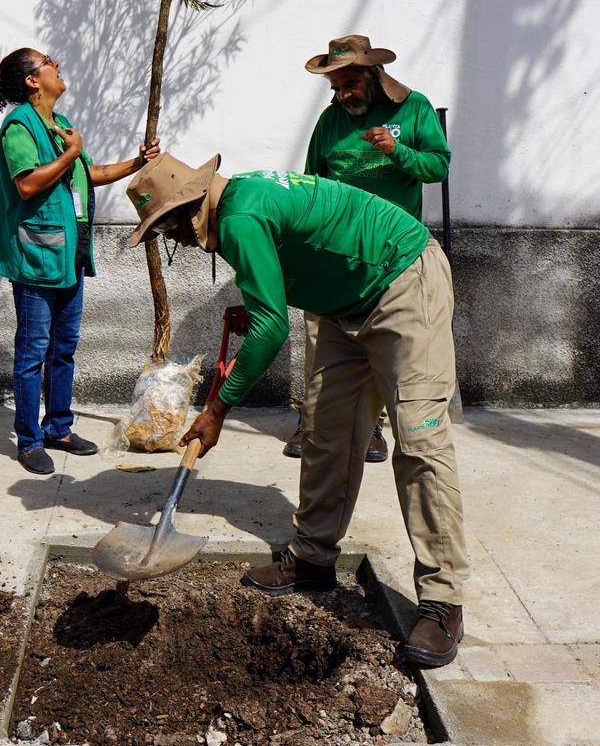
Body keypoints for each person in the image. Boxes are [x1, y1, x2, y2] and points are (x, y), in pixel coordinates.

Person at [124, 154, 467, 668]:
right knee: (326, 431)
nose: (175, 242)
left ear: (188, 209)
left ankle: (443, 601)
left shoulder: (239, 216)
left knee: (420, 442)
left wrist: (217, 409)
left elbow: (270, 330)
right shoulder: (238, 203)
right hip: (340, 302)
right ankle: (312, 558)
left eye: (168, 229)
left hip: (402, 280)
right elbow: (284, 276)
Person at [0, 48, 159, 475]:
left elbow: (87, 174)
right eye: (50, 60)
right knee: (33, 351)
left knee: (64, 349)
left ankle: (58, 427)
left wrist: (137, 162)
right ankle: (29, 439)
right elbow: (28, 184)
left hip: (69, 257)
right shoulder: (19, 127)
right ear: (33, 80)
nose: (58, 64)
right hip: (37, 257)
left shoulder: (63, 125)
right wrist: (71, 154)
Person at [284, 34, 451, 463]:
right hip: (334, 254)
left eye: (349, 85)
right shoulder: (330, 120)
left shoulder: (413, 109)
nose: (342, 95)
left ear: (372, 75)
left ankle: (374, 429)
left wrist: (398, 152)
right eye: (335, 88)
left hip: (392, 258)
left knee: (384, 346)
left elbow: (438, 166)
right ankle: (314, 422)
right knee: (321, 339)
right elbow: (311, 183)